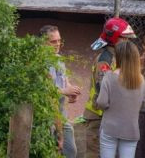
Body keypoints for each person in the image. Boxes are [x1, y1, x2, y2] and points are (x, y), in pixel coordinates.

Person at [84, 17, 137, 157]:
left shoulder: (118, 58)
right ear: (114, 38)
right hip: (98, 116)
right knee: (95, 154)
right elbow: (103, 90)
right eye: (125, 38)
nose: (128, 42)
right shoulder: (105, 60)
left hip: (110, 116)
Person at [96, 41, 145, 158]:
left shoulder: (109, 77)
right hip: (131, 129)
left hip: (110, 128)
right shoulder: (141, 79)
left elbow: (101, 103)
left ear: (118, 57)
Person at [39, 25, 80, 158]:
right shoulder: (39, 62)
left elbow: (64, 80)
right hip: (46, 114)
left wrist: (71, 91)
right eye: (53, 41)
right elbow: (46, 92)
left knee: (70, 151)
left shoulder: (59, 59)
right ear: (43, 42)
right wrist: (65, 91)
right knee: (50, 150)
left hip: (61, 112)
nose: (57, 44)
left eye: (59, 40)